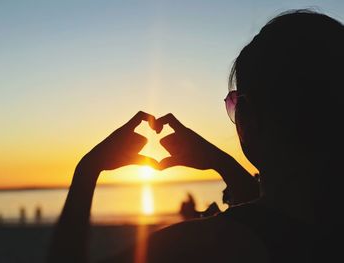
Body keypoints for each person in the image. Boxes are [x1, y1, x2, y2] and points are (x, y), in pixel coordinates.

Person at [48, 9, 343, 263]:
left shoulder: (213, 241)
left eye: (235, 102)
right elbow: (278, 217)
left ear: (250, 115)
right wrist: (221, 163)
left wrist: (87, 169)